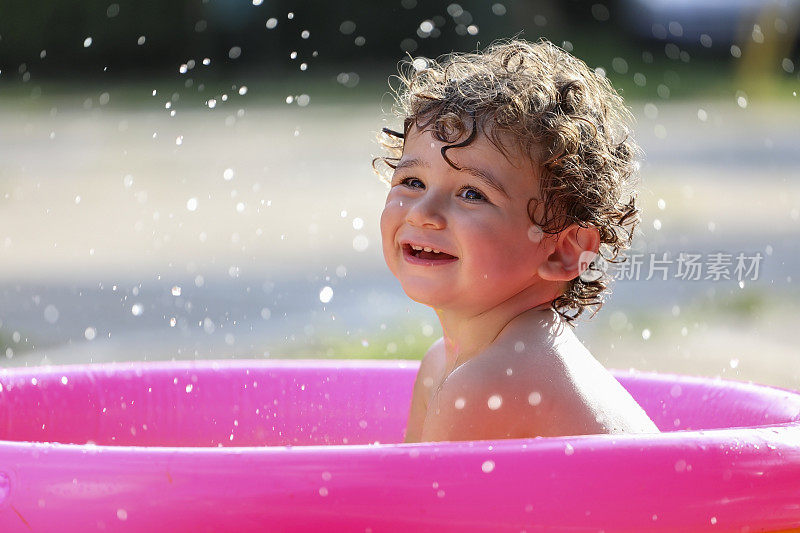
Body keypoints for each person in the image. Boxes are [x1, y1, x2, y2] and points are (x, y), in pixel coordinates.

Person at [374, 39, 660, 443]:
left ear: (564, 251)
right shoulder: (446, 363)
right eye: (412, 181)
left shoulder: (487, 384)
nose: (422, 212)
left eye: (472, 193)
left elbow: (418, 507)